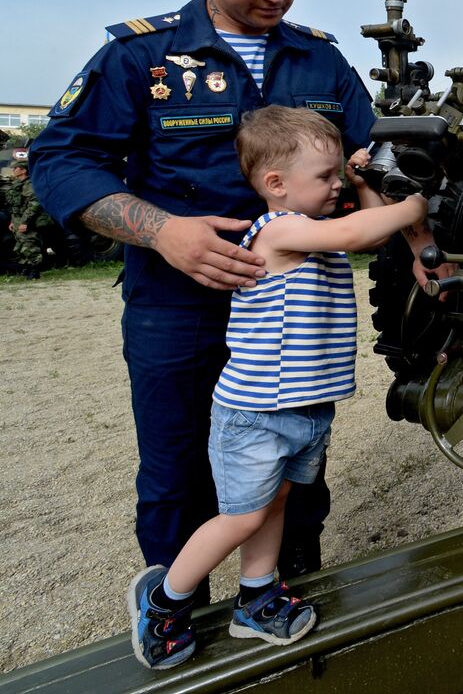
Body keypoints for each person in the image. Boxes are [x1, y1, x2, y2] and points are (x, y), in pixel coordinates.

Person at [31, 0, 449, 594]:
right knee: (176, 470)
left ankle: (283, 592)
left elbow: (376, 158)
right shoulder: (143, 56)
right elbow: (61, 161)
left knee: (293, 465)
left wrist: (419, 246)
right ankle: (174, 614)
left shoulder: (319, 61)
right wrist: (163, 231)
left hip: (296, 312)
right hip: (180, 302)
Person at [129, 106, 430, 668]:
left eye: (339, 173)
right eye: (325, 176)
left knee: (275, 505)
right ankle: (164, 602)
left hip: (304, 406)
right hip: (258, 412)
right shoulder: (281, 230)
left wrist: (365, 185)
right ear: (276, 185)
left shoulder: (314, 229)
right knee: (242, 514)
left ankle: (256, 595)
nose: (336, 183)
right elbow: (355, 231)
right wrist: (410, 206)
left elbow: (360, 238)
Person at [5, 162, 53, 278]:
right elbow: (15, 206)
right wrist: (13, 221)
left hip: (28, 220)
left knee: (30, 245)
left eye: (16, 168)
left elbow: (34, 205)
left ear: (23, 170)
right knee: (20, 246)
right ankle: (27, 268)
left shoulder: (30, 185)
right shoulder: (17, 184)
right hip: (18, 219)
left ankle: (34, 270)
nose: (13, 170)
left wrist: (25, 222)